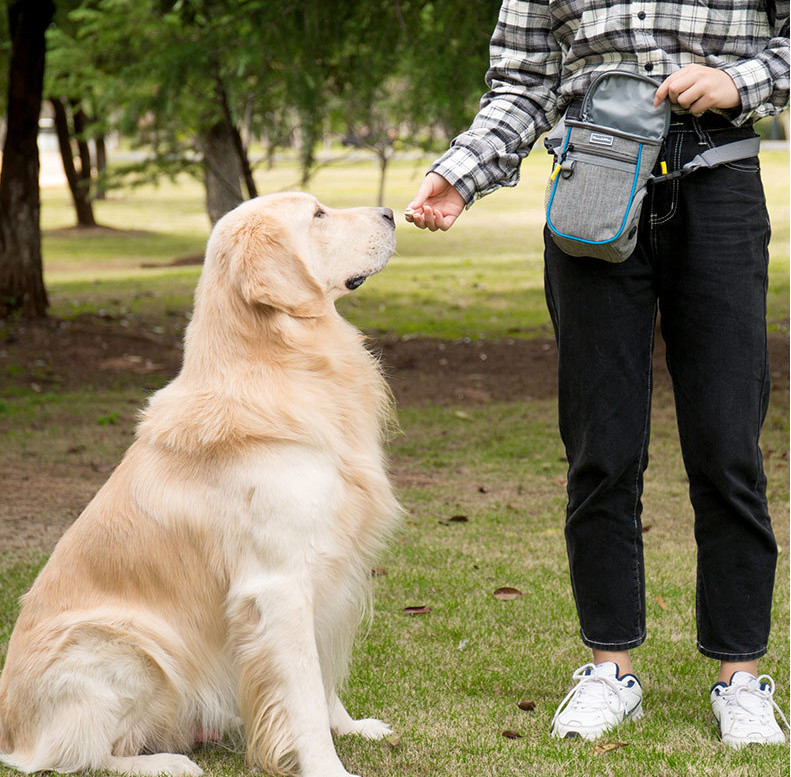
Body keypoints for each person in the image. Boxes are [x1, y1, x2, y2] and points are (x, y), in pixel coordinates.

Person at [405, 0, 790, 747]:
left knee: (726, 444)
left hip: (719, 188)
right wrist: (459, 175)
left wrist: (738, 80)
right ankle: (608, 669)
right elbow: (522, 81)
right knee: (600, 444)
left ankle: (739, 678)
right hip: (593, 183)